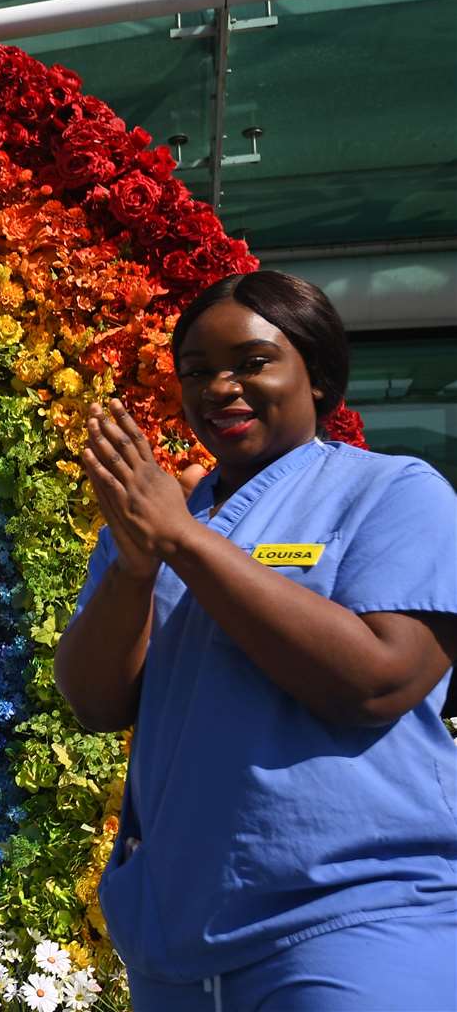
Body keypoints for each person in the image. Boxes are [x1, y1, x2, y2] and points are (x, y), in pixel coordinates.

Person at [56, 270, 457, 1010]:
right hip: (177, 935)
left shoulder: (396, 492)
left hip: (355, 921)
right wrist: (137, 566)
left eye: (251, 362)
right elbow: (95, 700)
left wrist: (182, 541)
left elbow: (377, 681)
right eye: (197, 372)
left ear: (319, 373)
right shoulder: (157, 517)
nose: (219, 387)